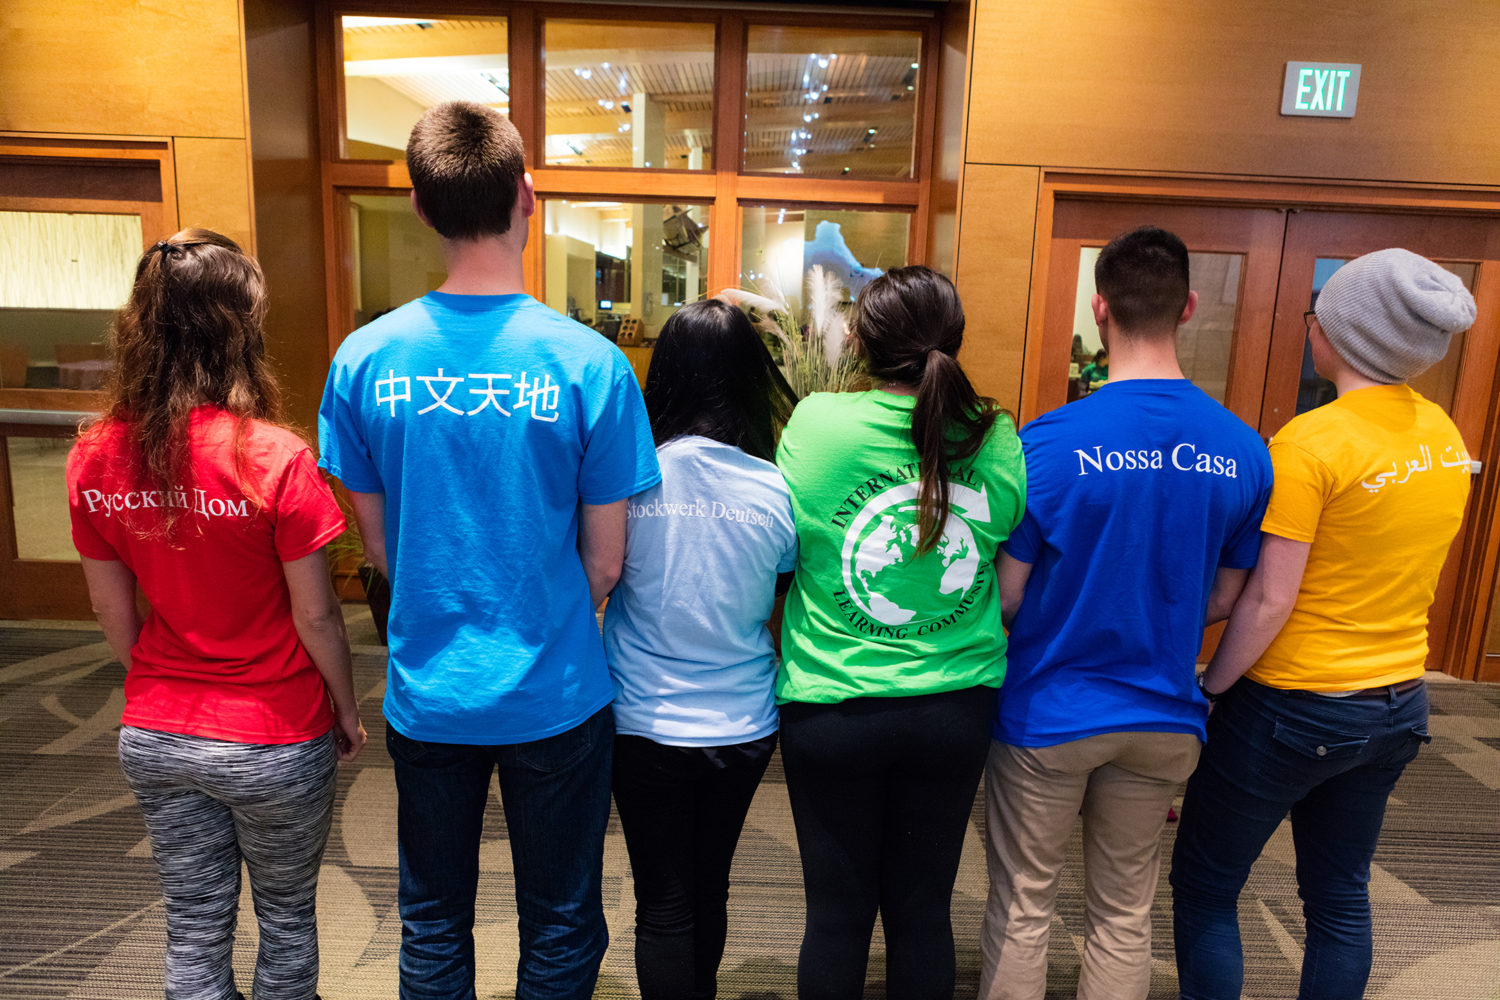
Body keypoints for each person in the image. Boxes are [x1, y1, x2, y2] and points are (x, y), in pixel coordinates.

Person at [317, 101, 659, 1000]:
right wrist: (538, 611)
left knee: (432, 916)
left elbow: (380, 545)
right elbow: (607, 563)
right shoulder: (591, 364)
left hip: (429, 688)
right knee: (561, 918)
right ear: (527, 196)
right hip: (555, 687)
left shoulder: (362, 359)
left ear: (423, 211)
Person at [1170, 249, 1476, 1000]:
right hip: (1399, 703)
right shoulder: (1442, 435)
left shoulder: (1312, 443)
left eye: (1318, 314)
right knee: (1338, 895)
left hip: (1291, 705)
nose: (1311, 326)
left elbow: (1270, 600)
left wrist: (1213, 684)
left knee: (1207, 885)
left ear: (1342, 335)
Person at [68, 228, 365, 1000]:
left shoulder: (95, 454)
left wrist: (168, 687)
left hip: (158, 729)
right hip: (272, 733)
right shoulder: (274, 455)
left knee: (194, 924)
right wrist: (346, 709)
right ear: (243, 330)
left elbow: (111, 609)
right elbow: (320, 618)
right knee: (288, 921)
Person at [979, 226, 1272, 1000]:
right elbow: (1226, 597)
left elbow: (1007, 595)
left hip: (1049, 712)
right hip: (1165, 716)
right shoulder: (1243, 450)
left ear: (1100, 309)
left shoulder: (1047, 441)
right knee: (1123, 913)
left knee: (1023, 906)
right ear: (1190, 308)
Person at [775, 265, 1025, 1000]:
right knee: (922, 913)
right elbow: (1003, 533)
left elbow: (790, 541)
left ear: (858, 341)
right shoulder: (994, 432)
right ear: (955, 341)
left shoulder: (818, 422)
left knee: (835, 917)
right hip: (954, 707)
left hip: (832, 705)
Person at [602, 298, 800, 1000]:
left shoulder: (628, 483)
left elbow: (600, 577)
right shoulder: (778, 490)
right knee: (710, 883)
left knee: (663, 898)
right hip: (741, 725)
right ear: (750, 378)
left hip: (641, 720)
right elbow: (778, 600)